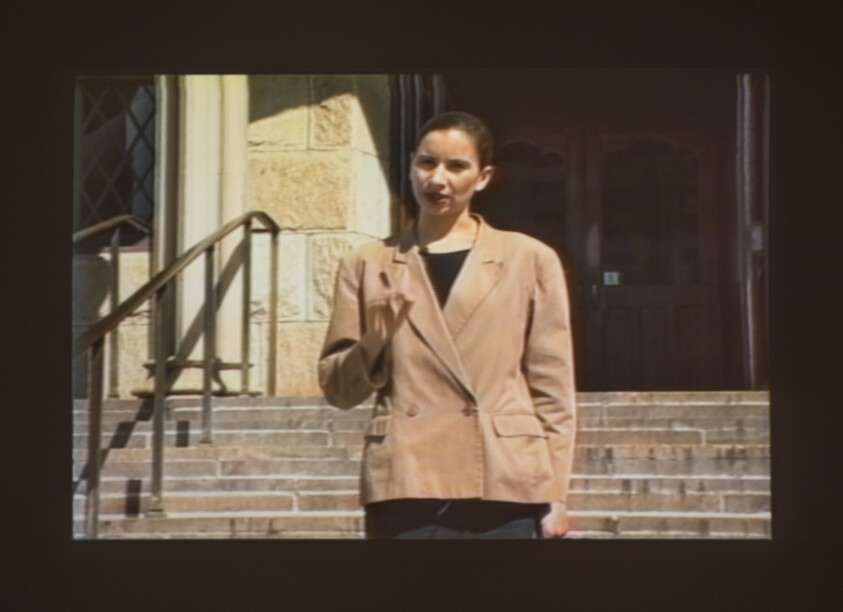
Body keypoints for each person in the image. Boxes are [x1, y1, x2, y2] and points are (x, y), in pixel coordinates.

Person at [318, 111, 576, 539]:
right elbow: (337, 390)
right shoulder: (365, 265)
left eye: (457, 166)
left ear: (483, 176)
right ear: (411, 167)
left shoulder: (529, 259)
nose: (438, 179)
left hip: (506, 475)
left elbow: (553, 387)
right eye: (427, 163)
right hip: (406, 477)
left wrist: (557, 493)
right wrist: (375, 339)